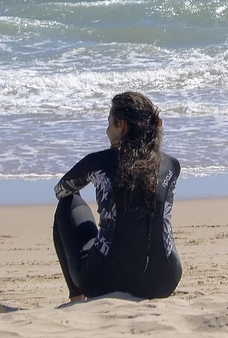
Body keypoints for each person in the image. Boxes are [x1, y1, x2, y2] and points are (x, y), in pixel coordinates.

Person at [52, 91, 183, 301]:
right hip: (164, 280)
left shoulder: (98, 162)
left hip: (102, 282)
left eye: (109, 124)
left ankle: (77, 296)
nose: (107, 131)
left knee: (67, 203)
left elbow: (61, 190)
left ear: (121, 126)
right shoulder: (171, 166)